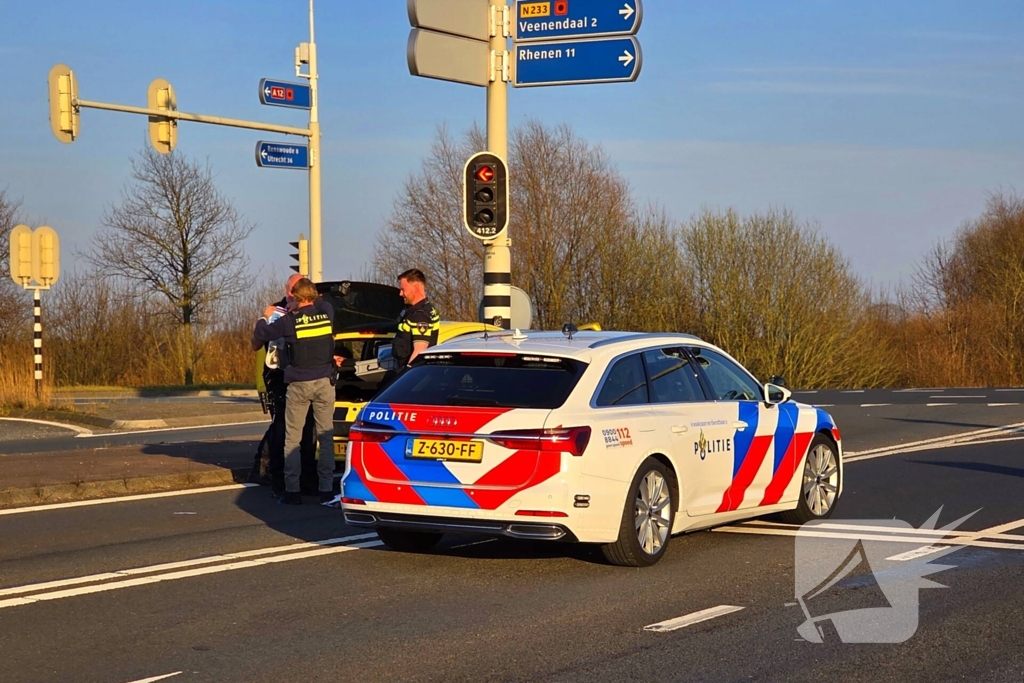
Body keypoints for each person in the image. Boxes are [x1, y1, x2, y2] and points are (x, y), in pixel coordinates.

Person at [252, 277, 337, 505]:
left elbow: (262, 334)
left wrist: (265, 315)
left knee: (292, 439)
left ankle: (292, 491)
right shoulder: (326, 315)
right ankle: (326, 490)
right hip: (324, 384)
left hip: (299, 385)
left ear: (296, 298)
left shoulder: (290, 321)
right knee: (325, 437)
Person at [391, 268, 440, 371]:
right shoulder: (417, 309)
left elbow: (420, 349)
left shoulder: (420, 315)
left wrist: (406, 375)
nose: (400, 293)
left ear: (416, 287)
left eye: (403, 289)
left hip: (410, 370)